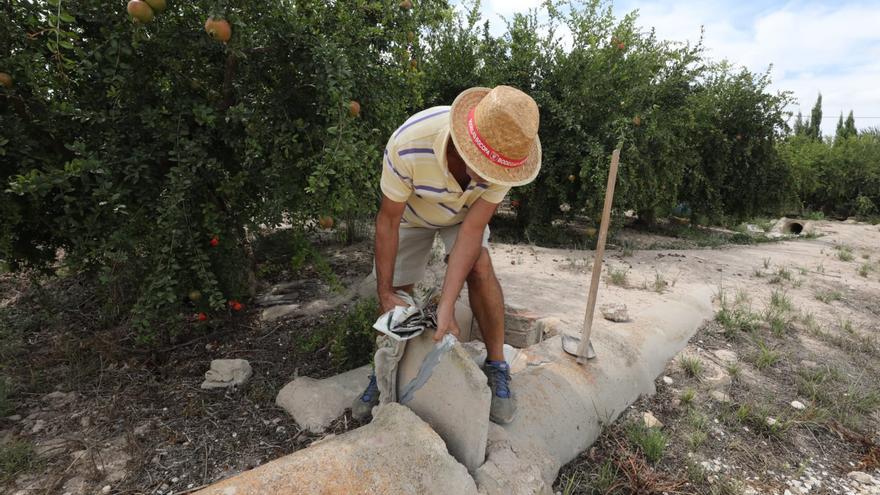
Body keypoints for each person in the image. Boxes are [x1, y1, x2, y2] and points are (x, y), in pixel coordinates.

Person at [352, 85, 542, 424]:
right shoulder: (410, 144)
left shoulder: (507, 155)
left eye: (497, 174)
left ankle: (497, 365)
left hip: (462, 216)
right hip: (410, 214)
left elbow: (471, 231)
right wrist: (384, 291)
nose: (491, 179)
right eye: (485, 167)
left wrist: (447, 304)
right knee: (399, 293)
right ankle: (384, 373)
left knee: (480, 266)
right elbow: (388, 220)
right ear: (464, 144)